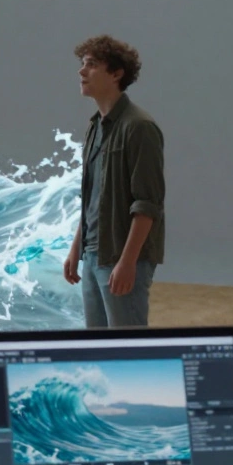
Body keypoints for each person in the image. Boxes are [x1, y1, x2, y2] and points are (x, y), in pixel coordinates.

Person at [62, 34, 165, 327]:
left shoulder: (139, 127)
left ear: (117, 73)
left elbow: (148, 204)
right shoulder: (95, 127)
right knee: (98, 346)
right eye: (83, 64)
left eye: (91, 64)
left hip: (122, 256)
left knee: (128, 344)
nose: (82, 71)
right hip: (93, 254)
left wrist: (128, 262)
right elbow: (91, 197)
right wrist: (76, 248)